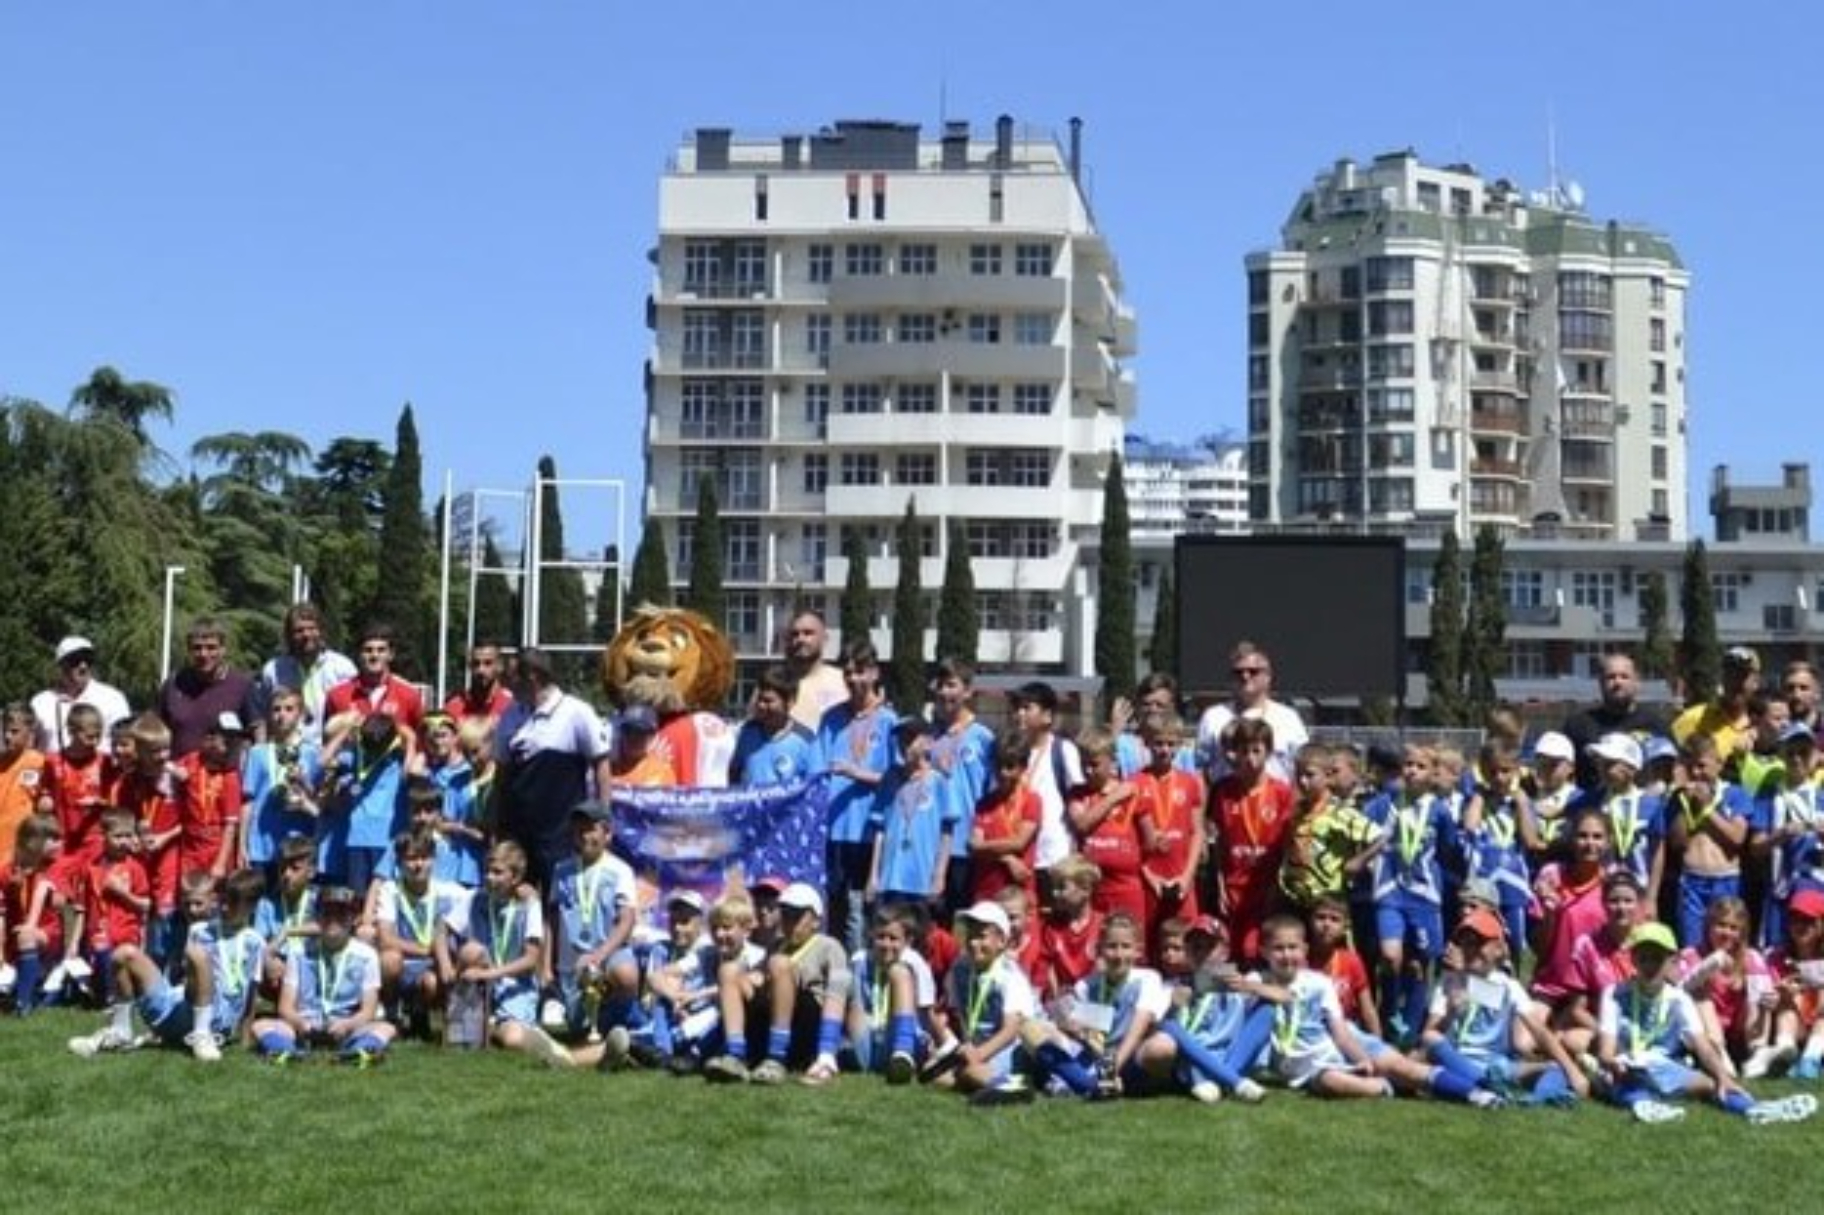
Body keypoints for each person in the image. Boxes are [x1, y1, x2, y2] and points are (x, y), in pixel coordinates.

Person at [1256, 913, 1494, 1104]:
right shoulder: (1254, 981)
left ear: (1304, 950)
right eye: (1278, 948)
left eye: (1292, 947)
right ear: (1263, 951)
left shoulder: (1319, 982)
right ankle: (1388, 1087)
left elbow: (1342, 1032)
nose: (1286, 955)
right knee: (1332, 1082)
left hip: (1349, 1040)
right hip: (1315, 1067)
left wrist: (1363, 1059)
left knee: (1402, 1067)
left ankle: (1477, 1093)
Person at [1595, 920, 1815, 1125]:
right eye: (1643, 958)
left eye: (1657, 958)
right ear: (1632, 959)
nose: (1649, 965)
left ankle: (1754, 1109)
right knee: (1611, 1079)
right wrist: (1611, 1062)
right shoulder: (1614, 994)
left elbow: (1701, 1043)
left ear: (1671, 959)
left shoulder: (1678, 998)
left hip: (1662, 1066)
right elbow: (1606, 1050)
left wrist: (1722, 1076)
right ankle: (1642, 1103)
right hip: (1626, 1067)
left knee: (1712, 1085)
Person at [69, 868, 267, 1062]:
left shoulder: (255, 941)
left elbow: (251, 991)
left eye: (233, 904)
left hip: (217, 1016)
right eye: (224, 901)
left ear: (252, 906)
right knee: (124, 954)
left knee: (197, 954)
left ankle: (202, 1034)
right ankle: (121, 1030)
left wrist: (245, 1037)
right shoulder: (199, 929)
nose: (225, 908)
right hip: (177, 1006)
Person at [1421, 907, 1589, 1105]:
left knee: (1554, 1068)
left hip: (1497, 1065)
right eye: (1466, 943)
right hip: (1457, 1060)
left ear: (1498, 949)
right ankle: (1486, 1085)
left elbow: (1539, 1031)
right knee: (1430, 1039)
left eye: (1479, 943)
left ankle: (1534, 1100)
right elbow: (1430, 1035)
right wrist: (1451, 1012)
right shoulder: (1449, 981)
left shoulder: (1507, 986)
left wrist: (1573, 1071)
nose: (1472, 950)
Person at [442, 839, 572, 1066]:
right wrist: (446, 966)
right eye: (487, 871)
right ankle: (473, 1023)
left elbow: (531, 960)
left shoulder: (528, 905)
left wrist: (490, 975)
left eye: (497, 873)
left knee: (512, 1039)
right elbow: (440, 929)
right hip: (482, 981)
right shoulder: (475, 898)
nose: (489, 877)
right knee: (472, 950)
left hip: (515, 986)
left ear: (516, 877)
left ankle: (550, 1049)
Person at [706, 882, 850, 1086]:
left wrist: (827, 1051)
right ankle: (735, 1054)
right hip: (770, 1017)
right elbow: (758, 980)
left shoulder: (829, 946)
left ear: (816, 921)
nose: (790, 921)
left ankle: (776, 1057)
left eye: (797, 916)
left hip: (806, 1023)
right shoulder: (776, 945)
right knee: (729, 970)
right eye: (786, 914)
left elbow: (837, 995)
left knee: (780, 964)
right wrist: (751, 977)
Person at [494, 647, 614, 888]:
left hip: (560, 833)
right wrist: (497, 821)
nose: (506, 684)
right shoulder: (510, 715)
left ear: (532, 677)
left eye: (512, 677)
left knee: (558, 902)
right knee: (518, 900)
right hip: (518, 831)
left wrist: (602, 817)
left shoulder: (576, 712)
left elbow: (601, 765)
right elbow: (502, 771)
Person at [1364, 743, 1459, 1042]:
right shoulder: (1385, 803)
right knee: (1390, 957)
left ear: (1432, 774)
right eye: (1408, 764)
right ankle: (1388, 1010)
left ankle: (1413, 1026)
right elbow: (1362, 830)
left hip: (1424, 896)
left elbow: (1448, 850)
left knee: (1420, 965)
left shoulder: (1440, 811)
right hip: (1389, 891)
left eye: (1420, 766)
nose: (1412, 771)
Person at [1021, 912, 1169, 1100]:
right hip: (1095, 1059)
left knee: (1160, 1048)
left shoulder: (1148, 979)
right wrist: (1069, 1027)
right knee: (1030, 1028)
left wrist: (1110, 1071)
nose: (1118, 954)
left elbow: (1137, 1031)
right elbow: (1089, 1040)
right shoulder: (1086, 985)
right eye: (1112, 946)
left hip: (1128, 1058)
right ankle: (1096, 1086)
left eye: (1126, 947)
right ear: (1099, 949)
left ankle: (1084, 1085)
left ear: (1138, 951)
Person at [251, 885, 396, 1066]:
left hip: (345, 1025)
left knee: (386, 1028)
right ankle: (286, 1051)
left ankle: (358, 1051)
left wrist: (348, 1025)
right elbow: (285, 1007)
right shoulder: (298, 952)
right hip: (305, 1025)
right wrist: (300, 1023)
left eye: (341, 914)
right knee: (261, 1025)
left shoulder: (367, 956)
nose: (333, 920)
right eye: (326, 913)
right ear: (317, 917)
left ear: (353, 919)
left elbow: (368, 1010)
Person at [1134, 914, 1273, 1103]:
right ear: (1188, 953)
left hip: (1230, 1056)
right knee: (1169, 1025)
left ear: (1225, 951)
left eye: (1209, 947)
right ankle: (1235, 1082)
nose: (1202, 953)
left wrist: (1250, 987)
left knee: (1268, 1011)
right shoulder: (1173, 985)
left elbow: (1288, 997)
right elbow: (1157, 1029)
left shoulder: (1236, 979)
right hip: (1192, 1060)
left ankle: (1221, 1078)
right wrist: (1174, 1006)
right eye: (1195, 947)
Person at [818, 640, 895, 954]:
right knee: (834, 909)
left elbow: (897, 780)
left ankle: (859, 980)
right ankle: (834, 978)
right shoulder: (831, 718)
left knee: (860, 913)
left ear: (875, 673)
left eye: (860, 672)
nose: (852, 679)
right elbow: (817, 770)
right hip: (834, 830)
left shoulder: (890, 722)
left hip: (869, 832)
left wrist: (856, 773)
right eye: (847, 672)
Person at [547, 802, 640, 1048]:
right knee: (579, 1028)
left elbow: (627, 919)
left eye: (590, 829)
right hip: (574, 963)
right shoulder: (562, 870)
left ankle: (633, 1026)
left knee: (626, 975)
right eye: (578, 830)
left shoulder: (621, 871)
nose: (583, 835)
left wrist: (600, 955)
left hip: (608, 954)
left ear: (607, 833)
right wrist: (547, 966)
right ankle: (602, 1030)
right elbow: (553, 920)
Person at [932, 900, 1037, 1104]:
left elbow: (1010, 1031)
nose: (973, 943)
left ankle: (1017, 1085)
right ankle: (991, 1084)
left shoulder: (1010, 976)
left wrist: (979, 1054)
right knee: (932, 1073)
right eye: (970, 936)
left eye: (982, 937)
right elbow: (954, 1014)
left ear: (1002, 942)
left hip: (1007, 1050)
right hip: (974, 1047)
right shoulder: (960, 969)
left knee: (971, 1072)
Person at [1208, 718, 1295, 962]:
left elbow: (1288, 844)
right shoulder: (1224, 790)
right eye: (1244, 751)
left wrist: (1277, 885)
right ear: (1235, 753)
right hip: (1234, 885)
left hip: (1266, 886)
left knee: (1256, 949)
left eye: (1256, 750)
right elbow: (1220, 840)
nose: (1250, 758)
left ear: (1268, 752)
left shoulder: (1281, 792)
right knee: (1231, 952)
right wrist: (1220, 883)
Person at [372, 827, 465, 1038]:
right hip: (404, 964)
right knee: (389, 959)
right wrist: (427, 950)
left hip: (431, 968)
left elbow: (484, 896)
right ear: (399, 862)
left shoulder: (450, 891)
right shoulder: (390, 890)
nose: (418, 865)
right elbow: (386, 939)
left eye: (424, 857)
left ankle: (419, 1014)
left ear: (434, 859)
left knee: (431, 982)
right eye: (411, 858)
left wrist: (522, 890)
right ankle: (391, 1012)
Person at [845, 903, 948, 1082]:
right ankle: (834, 1054)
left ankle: (902, 1054)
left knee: (898, 972)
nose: (886, 944)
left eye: (893, 938)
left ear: (908, 941)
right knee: (848, 984)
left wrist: (942, 1043)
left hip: (905, 1036)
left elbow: (927, 1013)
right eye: (880, 937)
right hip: (870, 1036)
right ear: (871, 935)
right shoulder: (860, 959)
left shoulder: (914, 963)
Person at [1666, 734, 1752, 946]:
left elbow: (1737, 838)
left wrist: (1707, 808)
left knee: (1727, 943)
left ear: (1719, 764)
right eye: (1691, 767)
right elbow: (1678, 843)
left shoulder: (1735, 794)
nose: (1697, 773)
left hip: (1726, 880)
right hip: (1692, 882)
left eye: (1702, 766)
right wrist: (1682, 801)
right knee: (1693, 945)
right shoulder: (1680, 798)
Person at [1278, 741, 1383, 916]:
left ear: (1328, 776)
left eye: (1309, 775)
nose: (1303, 781)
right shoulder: (1297, 811)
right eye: (1298, 775)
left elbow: (1380, 837)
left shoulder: (1339, 812)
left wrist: (1358, 861)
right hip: (1296, 897)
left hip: (1327, 901)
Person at [1531, 809, 1616, 1020]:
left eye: (1597, 837)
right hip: (1554, 978)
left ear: (1608, 842)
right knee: (1522, 1042)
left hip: (1593, 984)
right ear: (1572, 839)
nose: (1590, 843)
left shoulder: (1614, 881)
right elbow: (1539, 948)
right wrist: (1550, 912)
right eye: (1583, 836)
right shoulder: (1552, 875)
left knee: (1576, 1039)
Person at [240, 687, 324, 890]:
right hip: (262, 844)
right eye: (276, 709)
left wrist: (304, 782)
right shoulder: (258, 753)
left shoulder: (313, 754)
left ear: (301, 714)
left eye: (289, 709)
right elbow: (248, 801)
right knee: (262, 902)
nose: (281, 715)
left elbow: (320, 800)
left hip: (297, 841)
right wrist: (242, 844)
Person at [927, 659, 995, 911]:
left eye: (951, 685)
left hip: (966, 844)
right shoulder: (928, 737)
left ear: (967, 691)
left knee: (962, 919)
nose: (945, 692)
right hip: (932, 843)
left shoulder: (983, 737)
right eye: (941, 685)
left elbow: (992, 792)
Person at [868, 719, 956, 911]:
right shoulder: (890, 779)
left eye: (910, 739)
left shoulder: (938, 782)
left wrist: (939, 874)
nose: (904, 745)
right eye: (901, 740)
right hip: (891, 877)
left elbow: (946, 832)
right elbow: (880, 829)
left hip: (921, 875)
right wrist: (873, 875)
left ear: (927, 742)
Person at [1681, 896, 1775, 1076]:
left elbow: (1763, 995)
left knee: (1760, 995)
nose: (1726, 933)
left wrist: (1768, 1003)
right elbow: (1680, 990)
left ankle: (1758, 1054)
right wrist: (1711, 964)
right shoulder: (1691, 954)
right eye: (1721, 925)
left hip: (1742, 1030)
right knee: (1700, 995)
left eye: (1734, 928)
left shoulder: (1751, 957)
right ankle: (1720, 1058)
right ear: (1709, 926)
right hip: (1706, 1032)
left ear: (1742, 932)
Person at [1008, 680, 1083, 901]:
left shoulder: (1062, 750)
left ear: (1047, 716)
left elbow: (1079, 796)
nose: (1018, 714)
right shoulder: (1009, 753)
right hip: (1019, 856)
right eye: (1016, 708)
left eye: (1026, 708)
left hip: (1054, 855)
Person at [319, 712, 408, 895]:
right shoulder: (356, 758)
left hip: (387, 839)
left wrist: (411, 739)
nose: (373, 752)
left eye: (377, 748)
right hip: (357, 837)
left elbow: (409, 770)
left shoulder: (395, 760)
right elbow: (323, 760)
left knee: (383, 897)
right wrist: (346, 730)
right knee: (357, 897)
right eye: (368, 746)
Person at [1558, 870, 1648, 1054]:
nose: (1621, 907)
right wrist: (1606, 1031)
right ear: (1603, 904)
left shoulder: (1651, 941)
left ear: (1639, 904)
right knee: (1571, 1039)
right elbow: (1577, 1010)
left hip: (1647, 1024)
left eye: (1628, 901)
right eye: (1614, 901)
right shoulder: (1586, 945)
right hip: (1605, 1025)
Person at [1194, 641, 1309, 784]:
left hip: (1275, 803)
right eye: (1238, 672)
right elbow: (1200, 770)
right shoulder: (1213, 717)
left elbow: (1303, 768)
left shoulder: (1288, 718)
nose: (1245, 676)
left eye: (1253, 671)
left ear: (1268, 676)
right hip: (1225, 802)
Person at [1134, 713, 1206, 942]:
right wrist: (1149, 875)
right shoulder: (1134, 782)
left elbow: (1196, 832)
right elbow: (1130, 840)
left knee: (1185, 941)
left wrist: (1187, 877)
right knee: (1149, 942)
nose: (1164, 750)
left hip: (1181, 878)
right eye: (1158, 743)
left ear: (1181, 745)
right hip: (1148, 880)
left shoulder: (1190, 782)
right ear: (1147, 743)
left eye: (1171, 744)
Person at [1067, 728, 1147, 931]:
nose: (1088, 771)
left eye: (1094, 764)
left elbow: (1149, 839)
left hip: (1126, 888)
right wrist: (1112, 798)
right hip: (1092, 888)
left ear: (1112, 761)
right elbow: (1082, 824)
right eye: (1083, 764)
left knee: (1130, 944)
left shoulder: (1132, 792)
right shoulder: (1078, 793)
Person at [1753, 721, 1824, 948]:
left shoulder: (1821, 796)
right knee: (1777, 952)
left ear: (1815, 756)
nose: (1796, 759)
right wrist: (1781, 834)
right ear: (1781, 756)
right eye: (1790, 753)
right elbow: (1756, 847)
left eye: (1803, 752)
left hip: (1816, 887)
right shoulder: (1768, 796)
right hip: (1780, 889)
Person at [1572, 732, 1666, 903]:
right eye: (1600, 763)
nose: (1603, 769)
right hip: (1597, 891)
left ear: (1631, 768)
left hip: (1638, 892)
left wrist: (1652, 898)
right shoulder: (1589, 800)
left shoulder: (1651, 804)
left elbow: (1657, 852)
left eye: (1610, 764)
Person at [1561, 653, 1670, 793]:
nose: (1618, 682)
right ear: (1600, 683)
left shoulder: (1656, 725)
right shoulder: (1578, 725)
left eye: (1624, 676)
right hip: (1591, 809)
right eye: (1611, 677)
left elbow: (1675, 770)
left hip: (1641, 810)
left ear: (1637, 682)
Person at [157, 618, 259, 760]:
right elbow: (157, 731)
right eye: (197, 648)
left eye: (211, 647)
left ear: (223, 649)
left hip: (224, 778)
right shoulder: (173, 684)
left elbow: (257, 732)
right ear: (189, 650)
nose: (204, 654)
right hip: (179, 775)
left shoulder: (242, 685)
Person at [76, 808, 151, 1003]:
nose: (124, 841)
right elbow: (82, 907)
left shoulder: (135, 868)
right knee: (101, 954)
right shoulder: (91, 867)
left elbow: (145, 905)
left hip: (127, 931)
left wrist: (122, 893)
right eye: (118, 836)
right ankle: (106, 995)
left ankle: (120, 997)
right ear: (104, 836)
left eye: (128, 835)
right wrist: (75, 941)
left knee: (122, 967)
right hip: (99, 931)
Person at [254, 603, 357, 744]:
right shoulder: (273, 670)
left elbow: (354, 714)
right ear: (289, 635)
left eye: (312, 628)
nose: (306, 635)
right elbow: (263, 716)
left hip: (330, 752)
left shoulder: (342, 668)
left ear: (321, 631)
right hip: (286, 752)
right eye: (299, 630)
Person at [1, 815, 73, 1013]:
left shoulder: (56, 866)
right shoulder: (9, 869)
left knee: (27, 936)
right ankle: (25, 992)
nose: (59, 844)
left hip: (48, 932)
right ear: (32, 841)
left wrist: (58, 896)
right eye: (53, 838)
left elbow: (58, 898)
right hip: (11, 936)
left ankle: (23, 1004)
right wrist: (13, 888)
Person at [968, 735, 1041, 909]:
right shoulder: (984, 803)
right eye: (998, 766)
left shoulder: (1031, 801)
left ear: (1023, 768)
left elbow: (1019, 843)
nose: (1003, 773)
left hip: (1019, 893)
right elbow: (974, 845)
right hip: (986, 892)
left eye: (1010, 767)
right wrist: (1007, 858)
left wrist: (984, 848)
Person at [322, 622, 425, 741]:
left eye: (381, 650)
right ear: (359, 654)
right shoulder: (336, 695)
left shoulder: (409, 695)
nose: (374, 655)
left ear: (391, 655)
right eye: (368, 650)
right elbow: (326, 739)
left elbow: (421, 741)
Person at [30, 636, 131, 757]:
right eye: (75, 660)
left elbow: (126, 743)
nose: (83, 666)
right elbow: (30, 747)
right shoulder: (40, 703)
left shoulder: (113, 699)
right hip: (52, 773)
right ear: (60, 665)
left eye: (88, 660)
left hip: (101, 775)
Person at [1670, 646, 1762, 779]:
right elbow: (1674, 766)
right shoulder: (1694, 718)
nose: (1734, 683)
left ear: (1756, 682)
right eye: (1730, 675)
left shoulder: (1763, 724)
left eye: (1741, 676)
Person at [175, 712, 246, 884]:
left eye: (234, 741)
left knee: (211, 899)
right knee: (189, 894)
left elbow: (231, 825)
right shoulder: (192, 760)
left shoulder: (230, 777)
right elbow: (169, 768)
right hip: (190, 847)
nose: (229, 746)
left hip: (215, 849)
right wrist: (173, 771)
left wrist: (221, 863)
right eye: (226, 740)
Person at [36, 704, 110, 868]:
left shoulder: (105, 762)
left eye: (99, 736)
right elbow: (44, 793)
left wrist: (101, 801)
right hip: (62, 838)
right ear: (71, 731)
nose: (95, 742)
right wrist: (45, 800)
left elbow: (115, 798)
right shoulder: (53, 761)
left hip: (96, 839)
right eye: (89, 736)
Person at [1764, 887, 1824, 1079]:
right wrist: (1781, 993)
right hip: (1794, 1023)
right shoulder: (1776, 958)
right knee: (1785, 1004)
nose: (1800, 925)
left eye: (1808, 920)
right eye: (1795, 919)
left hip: (1819, 1022)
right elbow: (1767, 996)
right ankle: (1786, 1054)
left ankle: (1811, 1058)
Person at [727, 666, 819, 788]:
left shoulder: (806, 740)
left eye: (768, 701)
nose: (761, 705)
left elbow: (814, 787)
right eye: (759, 699)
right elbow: (733, 773)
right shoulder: (747, 732)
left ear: (790, 701)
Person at [1037, 855, 1104, 999]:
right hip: (1061, 1003)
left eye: (1061, 887)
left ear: (1086, 890)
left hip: (1094, 1002)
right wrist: (1056, 998)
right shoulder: (1050, 928)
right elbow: (1048, 969)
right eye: (1054, 887)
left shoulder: (1103, 925)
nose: (1054, 893)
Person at [783, 610, 848, 732]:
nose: (800, 639)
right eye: (794, 634)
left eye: (808, 633)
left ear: (825, 638)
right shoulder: (775, 682)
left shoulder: (843, 681)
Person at [0, 703, 46, 870]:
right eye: (4, 730)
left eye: (14, 731)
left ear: (30, 732)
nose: (7, 736)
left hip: (22, 847)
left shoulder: (40, 763)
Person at [443, 641, 514, 725]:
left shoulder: (511, 705)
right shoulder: (453, 707)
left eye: (488, 663)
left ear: (500, 666)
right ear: (469, 666)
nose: (481, 670)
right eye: (476, 664)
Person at [608, 705, 677, 787]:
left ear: (652, 737)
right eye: (629, 731)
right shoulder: (606, 768)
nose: (633, 737)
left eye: (640, 733)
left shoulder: (660, 772)